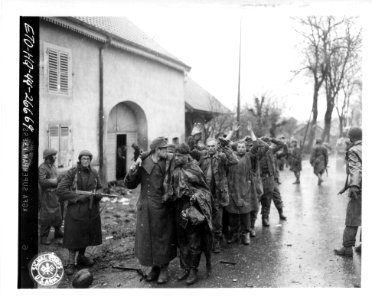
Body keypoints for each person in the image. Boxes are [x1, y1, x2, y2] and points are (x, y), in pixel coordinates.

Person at [124, 137, 176, 284]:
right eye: (164, 149)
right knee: (148, 238)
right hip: (145, 207)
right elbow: (131, 184)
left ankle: (164, 268)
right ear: (157, 150)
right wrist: (132, 172)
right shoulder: (144, 162)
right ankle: (154, 267)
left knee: (163, 238)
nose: (167, 151)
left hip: (163, 206)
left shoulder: (169, 162)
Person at [165, 143, 213, 285]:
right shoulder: (174, 168)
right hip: (178, 207)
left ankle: (193, 270)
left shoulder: (195, 169)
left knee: (194, 240)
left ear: (187, 156)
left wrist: (196, 196)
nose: (176, 158)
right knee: (182, 240)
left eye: (179, 155)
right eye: (176, 155)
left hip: (192, 208)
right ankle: (184, 268)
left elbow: (205, 191)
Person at [56, 150, 103, 275]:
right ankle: (70, 263)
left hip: (91, 209)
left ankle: (81, 257)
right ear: (80, 160)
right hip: (75, 209)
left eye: (88, 159)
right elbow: (61, 190)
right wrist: (77, 197)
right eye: (83, 159)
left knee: (87, 234)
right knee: (74, 236)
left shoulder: (94, 172)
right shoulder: (73, 173)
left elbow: (99, 187)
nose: (86, 161)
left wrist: (98, 194)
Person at [226, 124, 267, 245]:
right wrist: (232, 131)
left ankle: (245, 234)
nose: (241, 149)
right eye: (238, 147)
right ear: (235, 148)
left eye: (243, 147)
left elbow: (256, 145)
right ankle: (234, 234)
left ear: (246, 148)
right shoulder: (230, 156)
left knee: (245, 214)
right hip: (233, 189)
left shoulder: (249, 156)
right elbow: (224, 145)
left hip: (246, 188)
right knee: (233, 215)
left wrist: (251, 131)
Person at [199, 137, 238, 253]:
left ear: (216, 146)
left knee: (217, 220)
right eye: (209, 146)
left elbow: (234, 161)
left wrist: (226, 147)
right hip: (205, 194)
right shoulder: (203, 157)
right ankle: (206, 242)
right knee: (205, 218)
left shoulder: (221, 156)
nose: (211, 148)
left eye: (213, 146)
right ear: (206, 147)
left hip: (218, 194)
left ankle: (216, 242)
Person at [334, 127, 362, 257]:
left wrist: (354, 186)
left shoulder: (353, 150)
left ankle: (347, 248)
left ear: (351, 137)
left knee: (352, 218)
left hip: (360, 189)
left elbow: (355, 168)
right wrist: (346, 186)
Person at [258, 136, 286, 227]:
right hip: (259, 179)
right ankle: (251, 223)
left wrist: (272, 138)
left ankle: (265, 218)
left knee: (272, 197)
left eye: (268, 144)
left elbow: (281, 144)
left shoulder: (271, 151)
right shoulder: (256, 152)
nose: (267, 145)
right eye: (264, 143)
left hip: (270, 178)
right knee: (256, 199)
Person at [39, 148, 63, 245]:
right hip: (47, 195)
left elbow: (56, 177)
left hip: (55, 194)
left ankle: (57, 232)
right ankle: (43, 237)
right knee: (46, 216)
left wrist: (60, 179)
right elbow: (42, 181)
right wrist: (55, 181)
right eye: (54, 155)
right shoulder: (42, 168)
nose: (55, 157)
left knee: (58, 214)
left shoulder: (53, 166)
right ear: (48, 157)